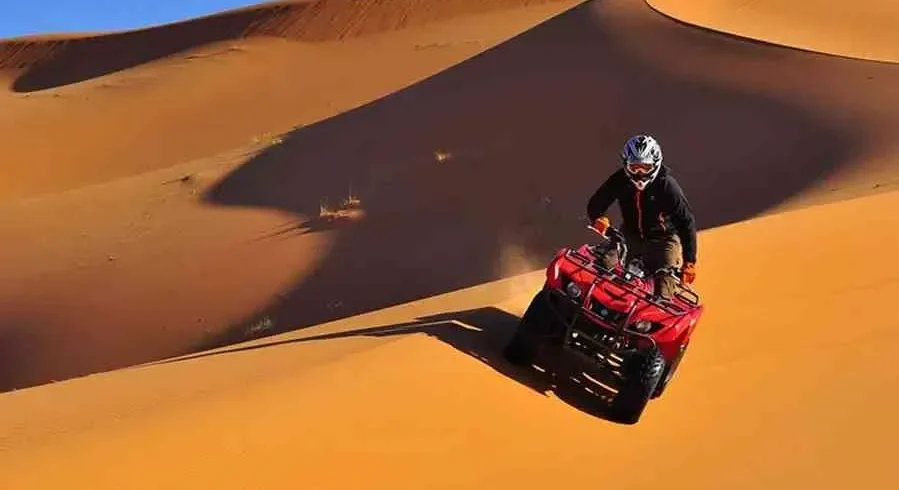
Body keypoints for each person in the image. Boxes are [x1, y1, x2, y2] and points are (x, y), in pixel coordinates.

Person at [586, 134, 698, 299]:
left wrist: (689, 261)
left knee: (664, 289)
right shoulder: (620, 180)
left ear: (655, 165)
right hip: (628, 236)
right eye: (634, 167)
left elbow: (686, 222)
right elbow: (595, 204)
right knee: (602, 265)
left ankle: (650, 321)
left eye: (645, 167)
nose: (639, 173)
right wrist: (599, 219)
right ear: (626, 165)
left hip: (663, 240)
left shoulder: (667, 186)